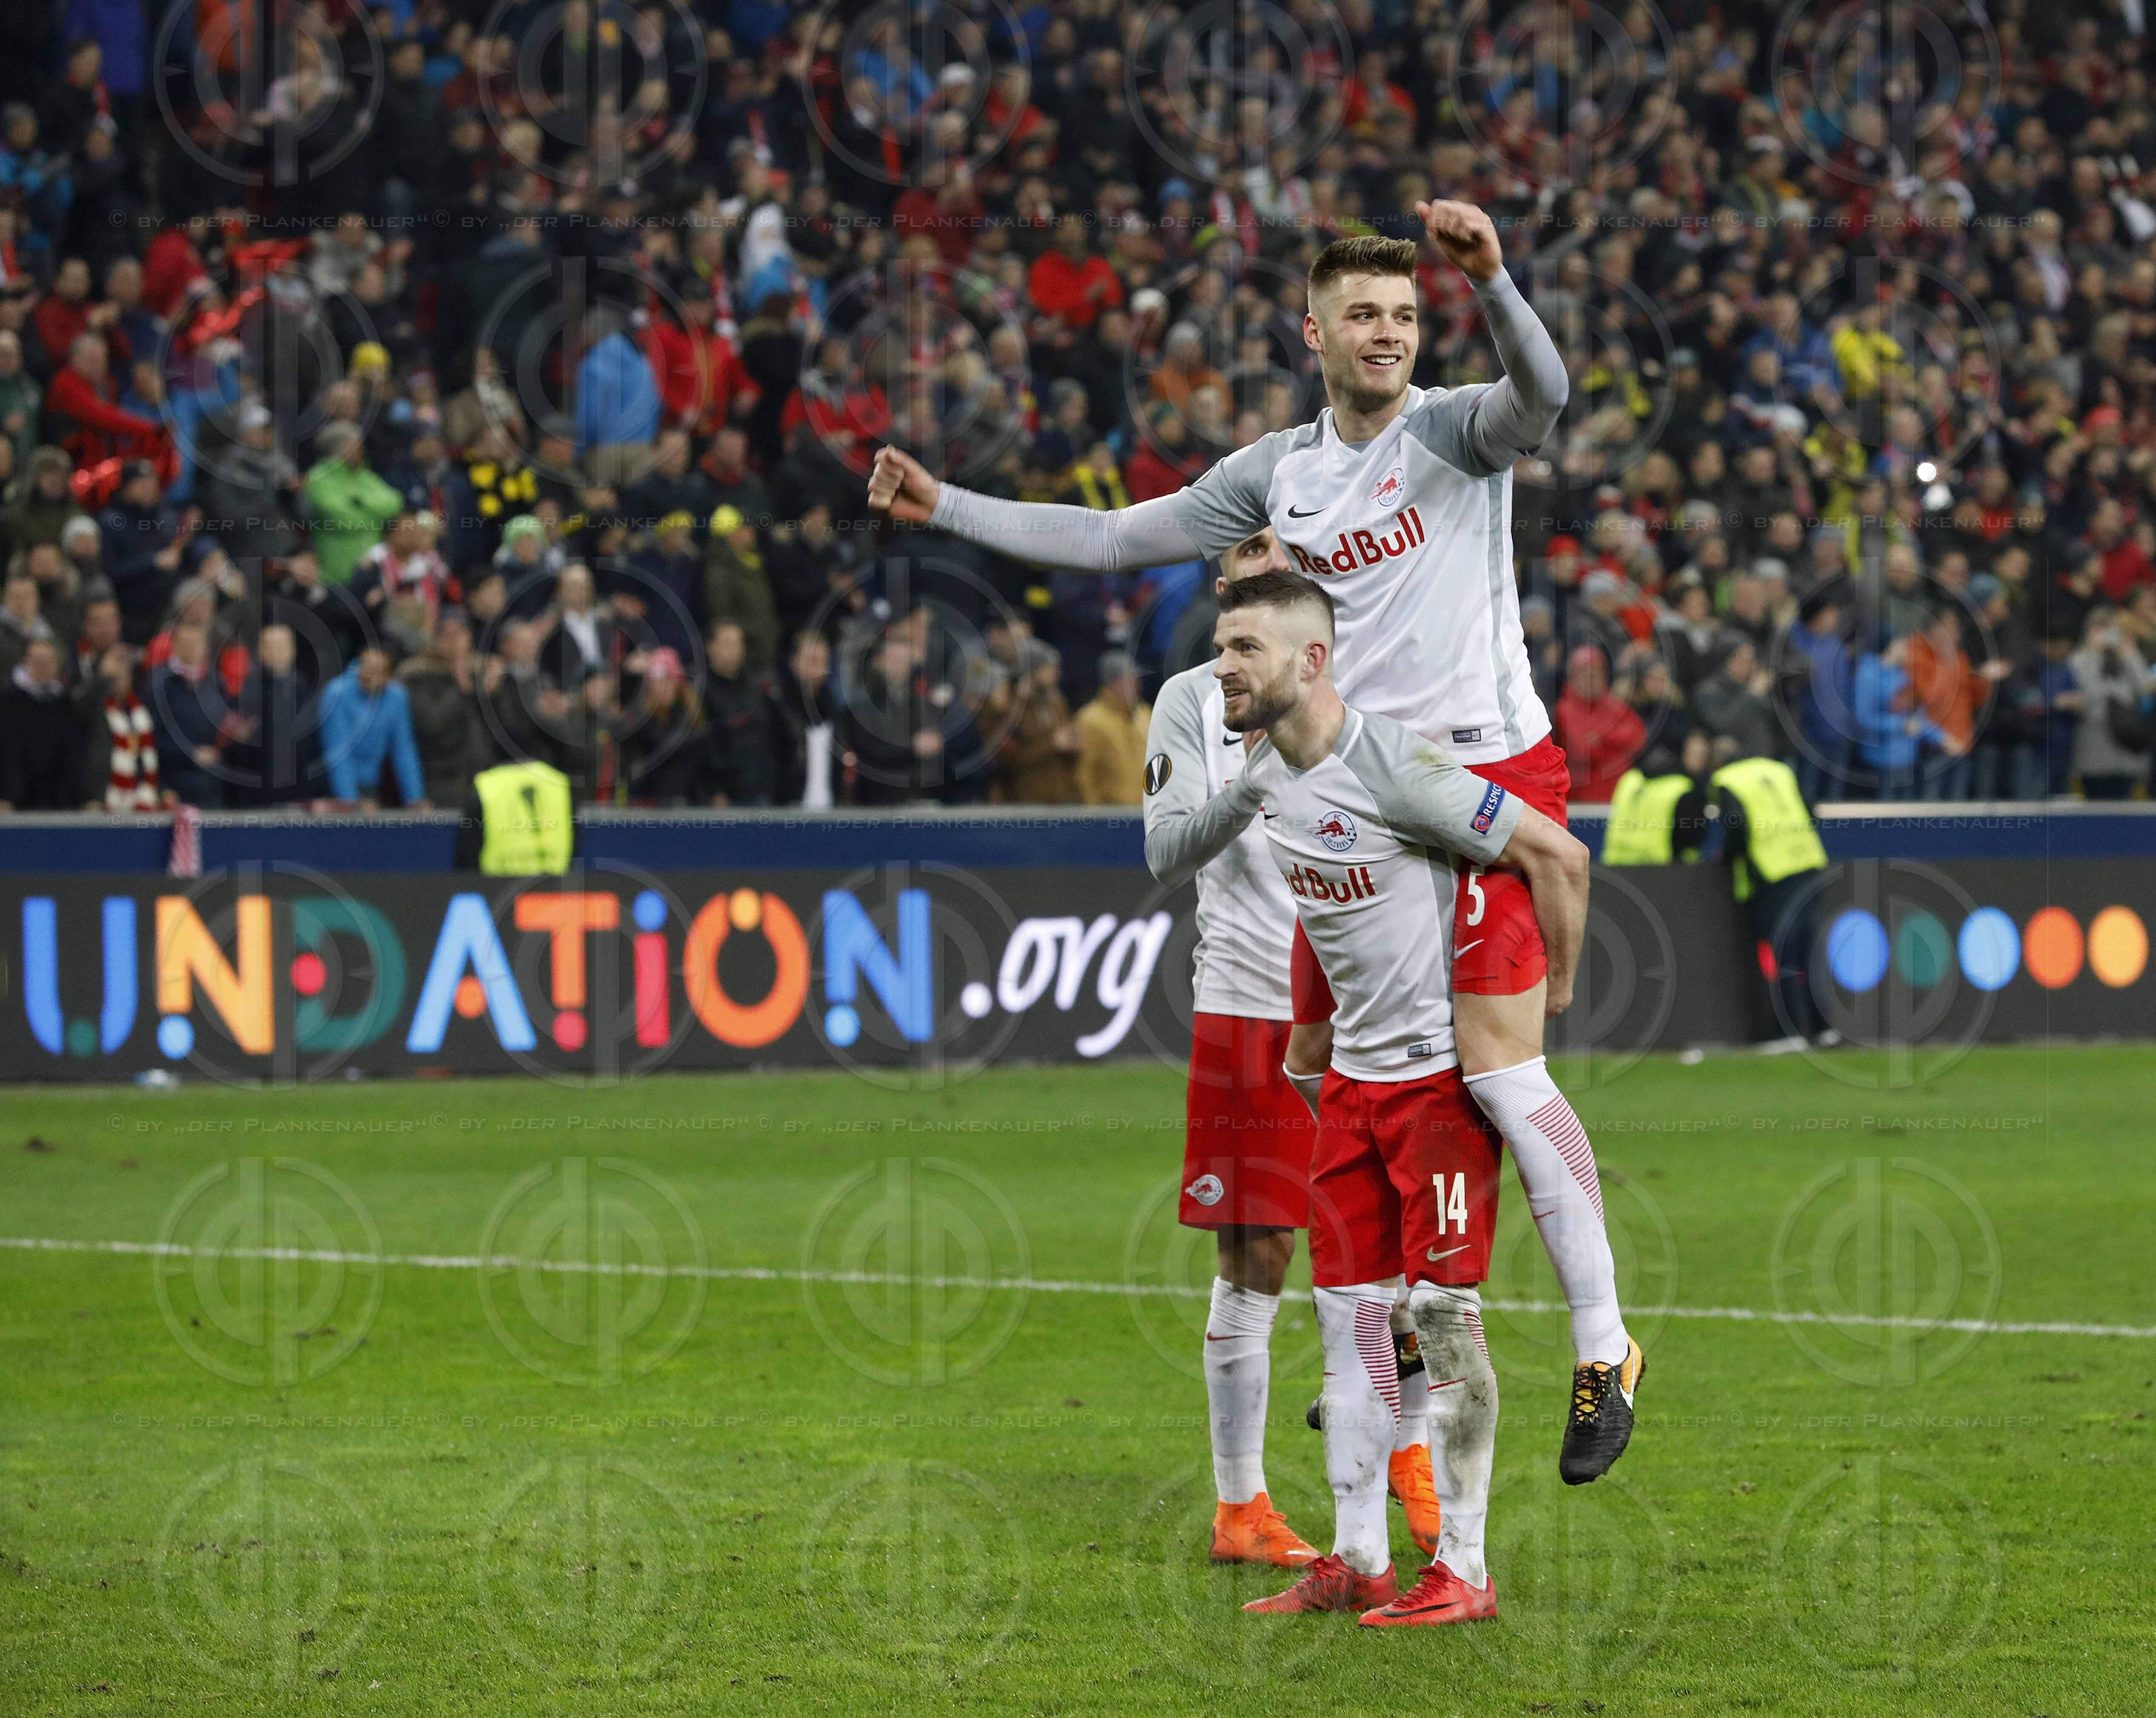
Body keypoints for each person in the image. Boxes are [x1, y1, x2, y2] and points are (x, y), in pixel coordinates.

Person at [872, 207, 1640, 1474]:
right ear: (1314, 332)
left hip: (1485, 775)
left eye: (1404, 315)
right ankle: (1404, 1342)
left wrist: (1496, 281)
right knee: (1323, 1062)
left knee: (1500, 1071)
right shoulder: (1277, 474)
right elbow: (1110, 538)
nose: (1387, 334)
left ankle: (1603, 1346)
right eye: (1362, 315)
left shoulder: (1455, 432)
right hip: (1366, 797)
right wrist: (944, 504)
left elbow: (1545, 394)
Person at [1169, 569, 1587, 1624]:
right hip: (1352, 1086)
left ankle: (1467, 1568)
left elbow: (1555, 851)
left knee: (1442, 1319)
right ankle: (1357, 1557)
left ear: (1310, 661)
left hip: (1435, 1086)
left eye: (1244, 648)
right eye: (1221, 645)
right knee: (1348, 1318)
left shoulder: (1396, 765)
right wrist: (1314, 1055)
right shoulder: (1265, 777)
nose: (1223, 665)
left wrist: (1550, 996)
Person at [1144, 526, 1440, 1569]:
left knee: (1404, 1248)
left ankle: (1410, 1450)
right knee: (1259, 1253)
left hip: (1371, 1002)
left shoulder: (1360, 679)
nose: (1253, 564)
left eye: (1272, 542)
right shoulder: (1193, 700)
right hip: (1250, 1003)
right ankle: (1241, 1505)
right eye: (1236, 553)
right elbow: (1163, 852)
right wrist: (1249, 786)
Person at [1708, 742, 1832, 1048]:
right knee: (1808, 947)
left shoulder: (1727, 780)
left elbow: (1737, 828)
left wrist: (1726, 858)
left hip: (1773, 873)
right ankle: (1823, 1028)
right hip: (1808, 862)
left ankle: (1788, 1033)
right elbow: (1811, 810)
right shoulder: (1779, 770)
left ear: (1718, 762)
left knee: (1782, 953)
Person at [318, 646, 428, 810]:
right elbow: (338, 753)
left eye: (379, 672)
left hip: (372, 783)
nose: (372, 677)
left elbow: (404, 750)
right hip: (333, 785)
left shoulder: (397, 698)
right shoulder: (336, 694)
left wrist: (415, 798)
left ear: (388, 675)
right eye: (368, 670)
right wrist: (350, 801)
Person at [1074, 647, 1149, 804]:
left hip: (1147, 809)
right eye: (1129, 680)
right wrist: (1093, 813)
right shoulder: (1090, 719)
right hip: (1111, 812)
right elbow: (1085, 773)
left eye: (1136, 680)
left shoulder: (1145, 714)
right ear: (1111, 684)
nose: (1136, 686)